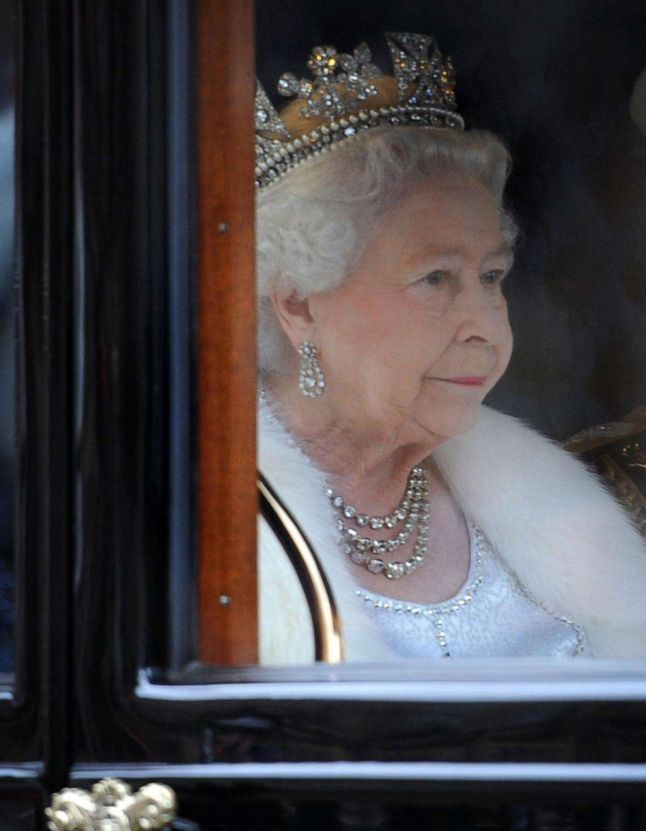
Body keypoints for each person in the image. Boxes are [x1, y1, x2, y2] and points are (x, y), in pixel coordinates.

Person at [255, 33, 646, 664]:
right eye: (435, 278)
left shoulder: (550, 507)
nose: (484, 327)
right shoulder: (202, 528)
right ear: (298, 303)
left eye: (491, 278)